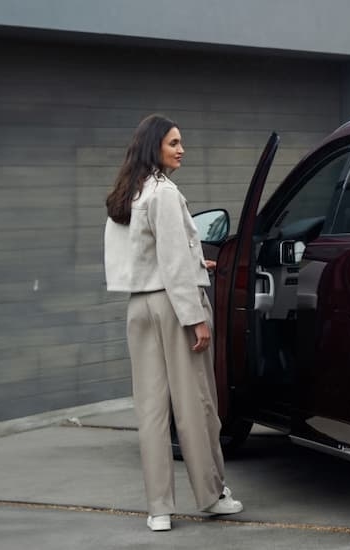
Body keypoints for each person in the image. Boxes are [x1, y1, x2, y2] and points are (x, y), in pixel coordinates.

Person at [104, 114, 243, 531]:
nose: (181, 149)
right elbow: (169, 261)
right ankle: (211, 495)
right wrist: (195, 317)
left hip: (139, 308)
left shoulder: (127, 192)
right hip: (172, 304)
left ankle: (158, 509)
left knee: (150, 410)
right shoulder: (164, 193)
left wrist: (193, 261)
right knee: (196, 404)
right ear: (155, 147)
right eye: (173, 143)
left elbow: (146, 254)